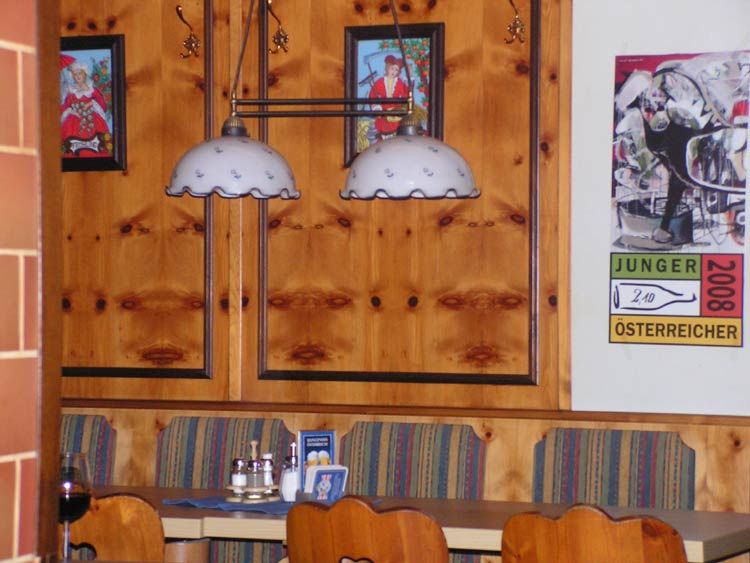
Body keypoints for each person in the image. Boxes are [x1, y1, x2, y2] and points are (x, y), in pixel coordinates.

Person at [61, 61, 112, 157]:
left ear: (84, 74)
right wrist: (71, 110)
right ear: (72, 76)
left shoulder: (92, 89)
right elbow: (66, 105)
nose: (78, 76)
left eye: (79, 73)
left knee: (99, 140)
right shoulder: (71, 91)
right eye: (75, 74)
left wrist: (91, 103)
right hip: (74, 120)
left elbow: (102, 103)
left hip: (92, 119)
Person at [368, 55, 409, 140]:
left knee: (397, 130)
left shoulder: (400, 83)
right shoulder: (379, 82)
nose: (393, 71)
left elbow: (406, 95)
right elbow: (372, 96)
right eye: (392, 69)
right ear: (387, 68)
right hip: (383, 112)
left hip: (395, 112)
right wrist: (376, 107)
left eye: (396, 70)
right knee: (381, 128)